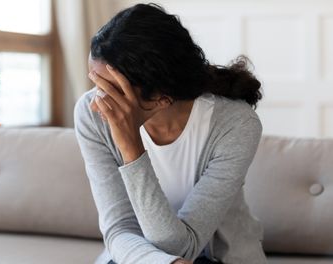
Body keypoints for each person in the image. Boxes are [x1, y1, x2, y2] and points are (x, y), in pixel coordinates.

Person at [74, 3, 267, 264]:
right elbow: (118, 229)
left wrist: (132, 148)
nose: (97, 102)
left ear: (162, 99)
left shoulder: (236, 125)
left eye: (111, 90)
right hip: (137, 258)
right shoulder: (90, 115)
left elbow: (181, 247)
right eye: (95, 84)